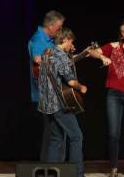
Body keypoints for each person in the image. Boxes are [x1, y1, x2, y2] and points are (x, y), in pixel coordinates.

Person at [88, 17, 124, 177]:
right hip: (113, 94)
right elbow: (91, 52)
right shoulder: (113, 46)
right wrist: (102, 57)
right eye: (123, 31)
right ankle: (113, 168)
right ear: (120, 34)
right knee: (113, 133)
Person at [38, 27, 87, 177]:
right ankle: (77, 174)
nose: (71, 44)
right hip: (59, 105)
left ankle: (49, 173)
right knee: (76, 136)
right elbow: (70, 81)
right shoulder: (61, 56)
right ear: (65, 39)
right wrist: (81, 87)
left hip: (46, 105)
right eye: (70, 41)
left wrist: (69, 53)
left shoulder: (46, 53)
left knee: (56, 138)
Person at [28, 10, 65, 161]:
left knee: (54, 131)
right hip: (43, 94)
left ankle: (52, 166)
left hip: (53, 93)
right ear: (50, 25)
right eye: (58, 27)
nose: (60, 30)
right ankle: (49, 167)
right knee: (53, 132)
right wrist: (58, 58)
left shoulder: (51, 40)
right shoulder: (38, 39)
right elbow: (37, 59)